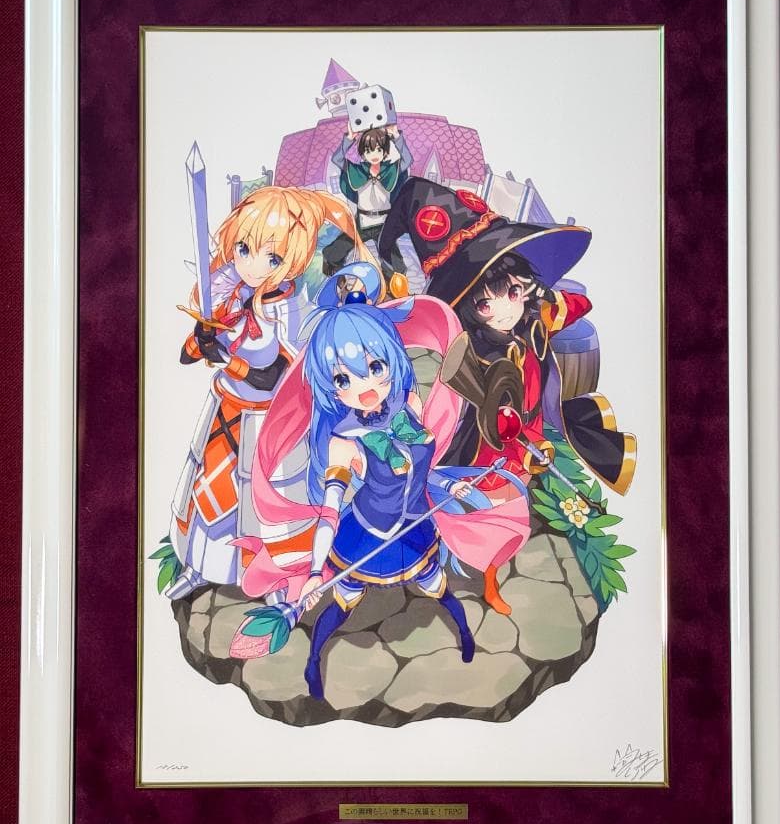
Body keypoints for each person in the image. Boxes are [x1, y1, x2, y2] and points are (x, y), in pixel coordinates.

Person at [230, 291, 531, 701]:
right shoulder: (343, 441)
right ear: (330, 388)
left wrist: (448, 485)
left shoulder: (409, 404)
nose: (365, 386)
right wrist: (316, 570)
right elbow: (329, 514)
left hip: (416, 525)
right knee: (343, 604)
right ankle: (314, 659)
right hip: (366, 535)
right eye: (343, 379)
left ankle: (464, 634)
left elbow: (421, 468)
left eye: (375, 367)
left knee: (439, 588)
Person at [378, 177, 636, 615]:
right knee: (479, 512)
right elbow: (474, 408)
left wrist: (547, 300)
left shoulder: (533, 322)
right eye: (485, 303)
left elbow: (578, 305)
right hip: (484, 446)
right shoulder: (472, 351)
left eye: (513, 292)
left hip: (527, 434)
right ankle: (440, 562)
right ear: (467, 308)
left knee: (510, 513)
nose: (504, 310)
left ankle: (489, 579)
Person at [166, 186, 378, 599]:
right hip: (227, 410)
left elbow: (278, 376)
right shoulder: (232, 297)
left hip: (273, 423)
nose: (252, 265)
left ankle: (276, 579)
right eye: (244, 249)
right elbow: (185, 356)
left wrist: (229, 360)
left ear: (294, 259)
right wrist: (202, 337)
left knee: (269, 505)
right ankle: (202, 565)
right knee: (212, 490)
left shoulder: (294, 308)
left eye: (273, 257)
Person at [324, 123, 413, 286]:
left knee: (395, 264)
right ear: (363, 153)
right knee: (334, 252)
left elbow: (408, 159)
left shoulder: (391, 170)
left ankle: (393, 288)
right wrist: (349, 139)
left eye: (378, 149)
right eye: (368, 150)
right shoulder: (357, 170)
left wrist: (396, 136)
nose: (374, 154)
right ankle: (338, 282)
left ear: (384, 152)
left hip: (384, 223)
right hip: (362, 221)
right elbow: (337, 159)